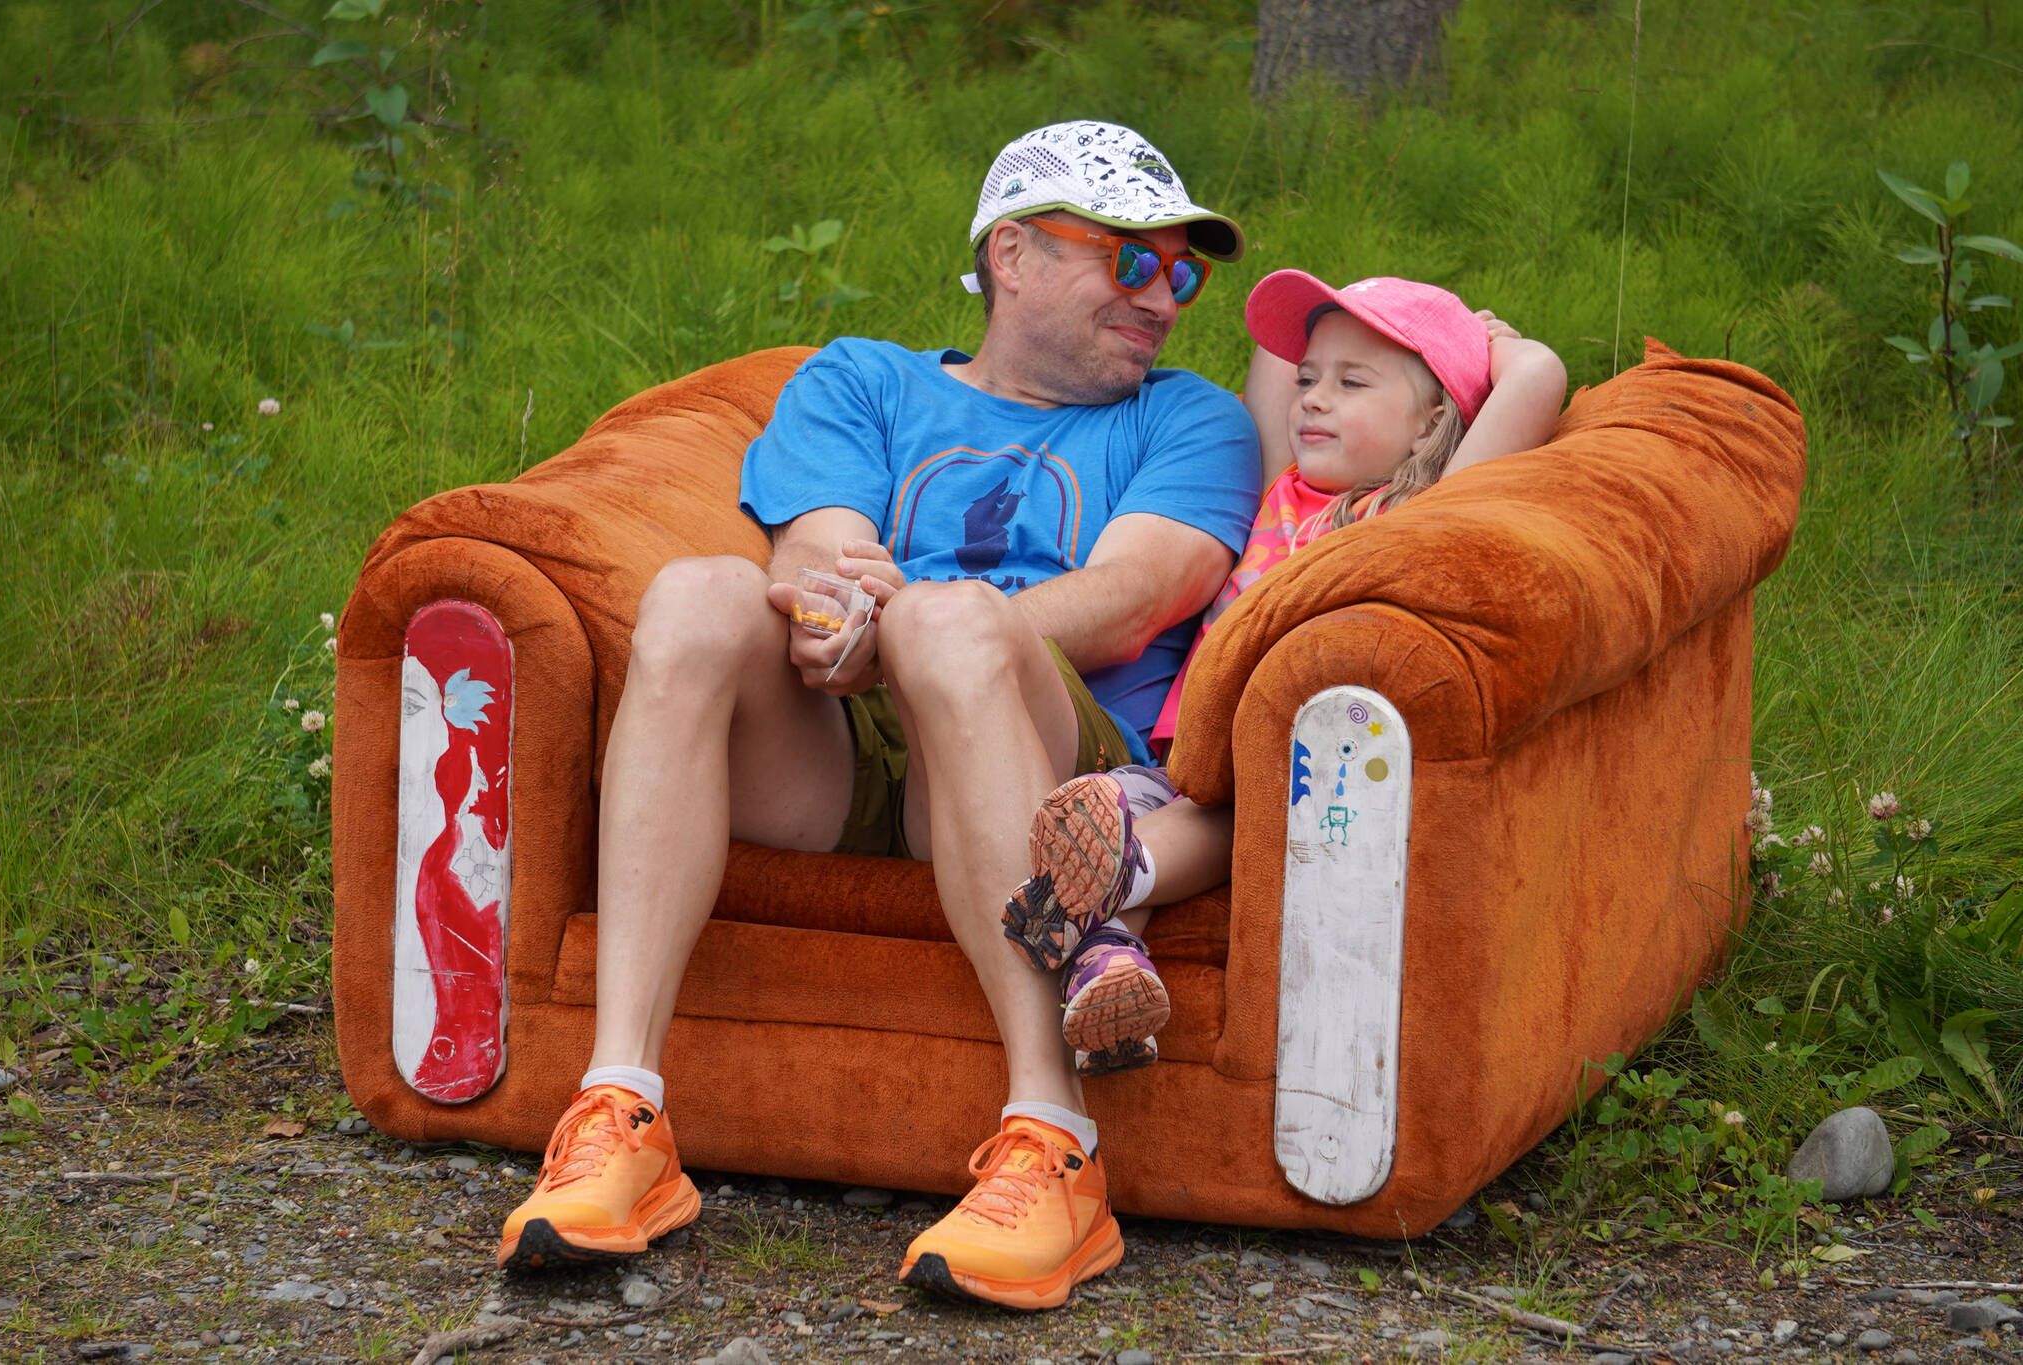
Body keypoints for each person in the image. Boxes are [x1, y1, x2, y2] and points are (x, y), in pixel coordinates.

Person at [493, 120, 1264, 1311]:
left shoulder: (1189, 417)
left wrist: (911, 631)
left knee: (947, 624)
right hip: (852, 750)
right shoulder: (861, 378)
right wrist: (839, 612)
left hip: (1048, 747)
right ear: (1011, 256)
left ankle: (1055, 1143)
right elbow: (816, 541)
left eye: (1181, 273)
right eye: (1130, 262)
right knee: (697, 597)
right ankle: (618, 1110)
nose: (1163, 298)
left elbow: (1129, 599)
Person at [1001, 270, 1569, 1074]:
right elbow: (1272, 355)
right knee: (1108, 805)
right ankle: (1108, 964)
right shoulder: (1280, 491)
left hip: (1291, 771)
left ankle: (1096, 887)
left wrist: (1488, 343)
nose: (1312, 399)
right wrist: (1343, 322)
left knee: (1205, 823)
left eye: (1351, 382)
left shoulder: (1425, 512)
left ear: (1432, 420)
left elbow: (1538, 375)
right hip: (1182, 755)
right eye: (1311, 379)